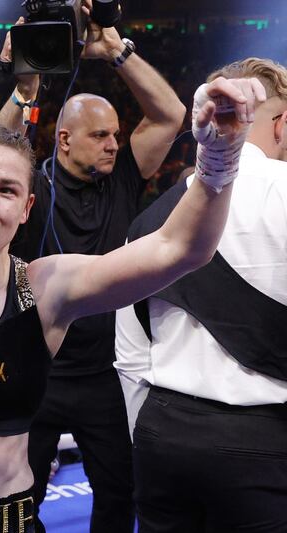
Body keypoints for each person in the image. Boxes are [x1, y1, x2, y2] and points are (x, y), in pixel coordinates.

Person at [0, 75, 263, 533]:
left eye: (6, 190)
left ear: (27, 207)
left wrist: (220, 157)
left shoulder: (46, 288)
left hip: (13, 520)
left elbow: (180, 248)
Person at [0, 5, 187, 530]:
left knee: (119, 496)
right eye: (101, 135)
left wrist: (117, 52)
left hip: (108, 375)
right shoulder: (30, 183)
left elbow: (171, 115)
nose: (113, 143)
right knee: (16, 501)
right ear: (63, 140)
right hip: (37, 369)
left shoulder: (122, 175)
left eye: (115, 135)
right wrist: (24, 89)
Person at [115, 57, 287, 533]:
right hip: (265, 439)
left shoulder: (151, 218)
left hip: (162, 438)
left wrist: (146, 434)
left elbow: (130, 353)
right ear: (283, 122)